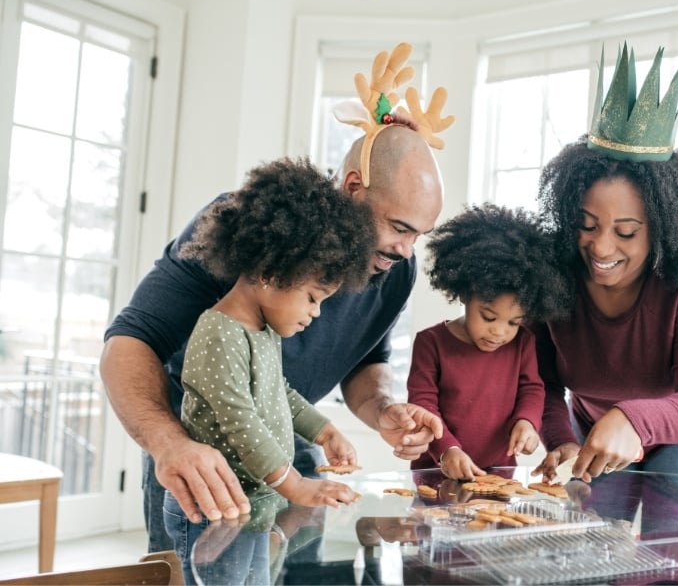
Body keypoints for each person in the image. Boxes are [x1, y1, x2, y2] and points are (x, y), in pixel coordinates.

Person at [99, 42, 453, 552]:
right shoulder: (245, 226)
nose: (405, 249)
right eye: (399, 227)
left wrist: (381, 410)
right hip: (203, 468)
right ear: (354, 186)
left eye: (419, 234)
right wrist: (168, 443)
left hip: (289, 452)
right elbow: (131, 341)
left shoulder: (396, 268)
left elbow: (363, 359)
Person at [531, 42, 678, 485]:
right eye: (587, 224)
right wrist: (560, 439)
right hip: (596, 422)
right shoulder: (551, 266)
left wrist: (633, 420)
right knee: (592, 543)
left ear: (662, 228)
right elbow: (540, 380)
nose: (602, 248)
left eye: (626, 232)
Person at [161, 157, 371, 582]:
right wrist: (296, 486)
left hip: (252, 506)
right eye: (313, 297)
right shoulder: (219, 332)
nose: (315, 313)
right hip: (213, 509)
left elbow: (280, 393)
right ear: (273, 273)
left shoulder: (263, 331)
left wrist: (323, 431)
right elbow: (241, 421)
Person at [406, 204, 570, 480]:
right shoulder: (430, 343)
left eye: (513, 322)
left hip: (498, 474)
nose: (499, 332)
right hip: (437, 470)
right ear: (464, 294)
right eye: (488, 316)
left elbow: (532, 389)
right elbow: (423, 405)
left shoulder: (523, 343)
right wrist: (448, 450)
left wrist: (527, 422)